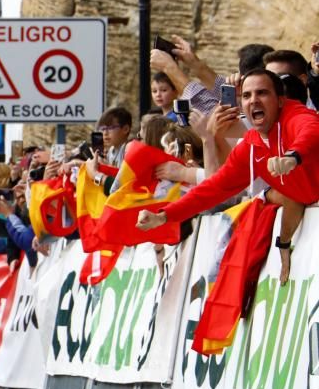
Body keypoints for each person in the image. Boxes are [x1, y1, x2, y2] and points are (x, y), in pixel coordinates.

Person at [137, 69, 319, 284]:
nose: (254, 100)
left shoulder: (295, 115)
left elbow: (312, 129)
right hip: (304, 198)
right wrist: (164, 215)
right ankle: (284, 246)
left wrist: (292, 156)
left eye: (262, 93)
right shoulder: (251, 145)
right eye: (247, 95)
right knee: (281, 196)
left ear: (280, 100)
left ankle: (284, 245)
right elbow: (214, 188)